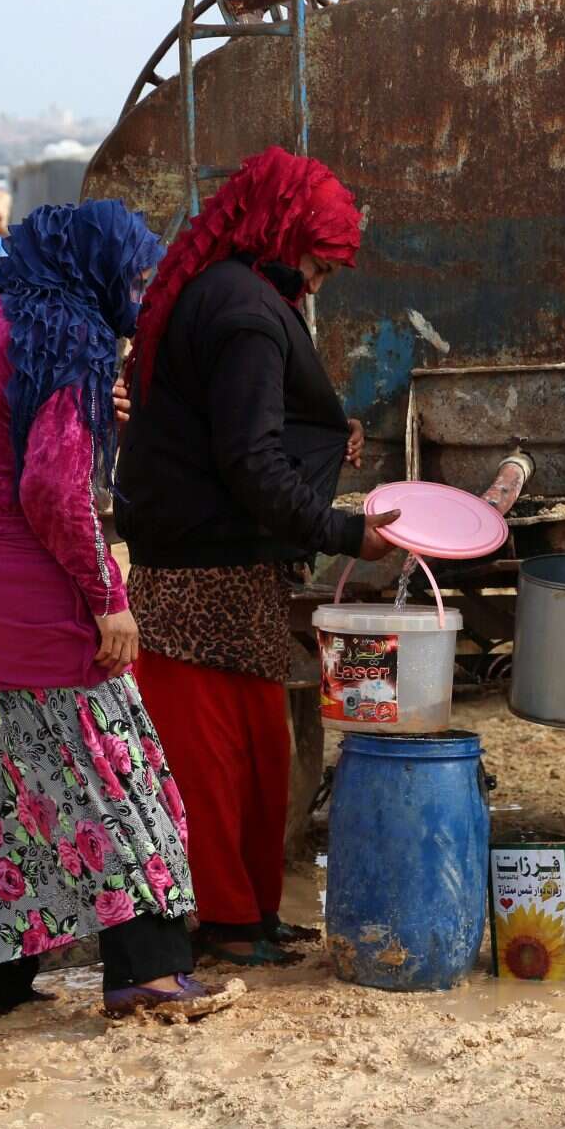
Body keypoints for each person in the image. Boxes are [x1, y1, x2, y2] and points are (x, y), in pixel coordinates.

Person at [0, 199, 236, 1029]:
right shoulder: (69, 333)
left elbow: (7, 436)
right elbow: (50, 487)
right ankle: (146, 970)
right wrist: (108, 596)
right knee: (115, 767)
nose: (136, 293)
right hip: (33, 583)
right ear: (95, 267)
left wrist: (89, 412)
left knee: (1, 787)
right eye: (133, 275)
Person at [116, 145, 398, 969]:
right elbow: (249, 459)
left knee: (256, 750)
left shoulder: (236, 294)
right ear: (279, 232)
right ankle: (230, 922)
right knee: (213, 757)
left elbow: (252, 434)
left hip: (217, 565)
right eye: (316, 263)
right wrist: (349, 532)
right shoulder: (244, 313)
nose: (316, 283)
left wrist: (322, 437)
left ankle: (252, 914)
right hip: (202, 568)